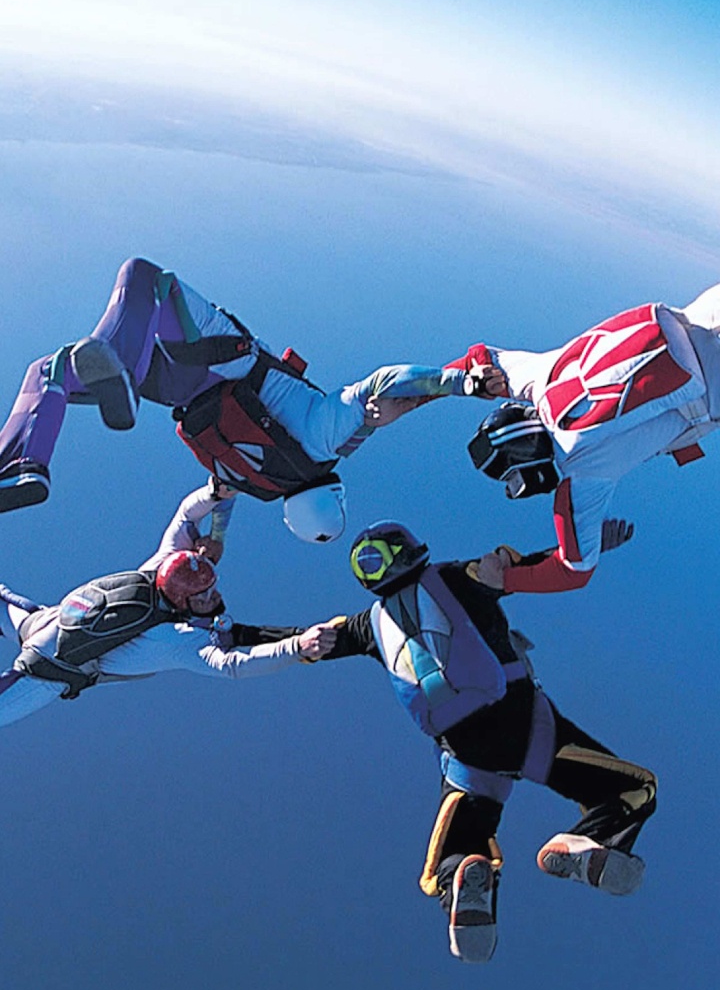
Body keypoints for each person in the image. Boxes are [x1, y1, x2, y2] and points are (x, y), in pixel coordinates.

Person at [320, 520, 656, 963]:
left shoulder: (366, 626)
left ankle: (462, 871)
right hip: (524, 721)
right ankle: (585, 842)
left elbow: (301, 641)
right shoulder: (454, 576)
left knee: (458, 844)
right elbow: (520, 570)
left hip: (465, 750)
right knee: (633, 790)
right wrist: (583, 545)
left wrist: (225, 633)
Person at [0, 257, 477, 542]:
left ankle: (91, 393)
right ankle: (23, 466)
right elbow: (218, 494)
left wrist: (455, 382)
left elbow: (385, 381)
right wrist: (217, 542)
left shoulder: (325, 440)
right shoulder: (259, 484)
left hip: (221, 361)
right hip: (171, 391)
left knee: (144, 277)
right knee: (51, 370)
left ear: (333, 490)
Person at [450, 281, 720, 592]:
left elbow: (572, 572)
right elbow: (478, 359)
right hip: (702, 314)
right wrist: (410, 396)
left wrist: (502, 579)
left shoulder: (578, 476)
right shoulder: (538, 379)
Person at [0, 483, 338, 728]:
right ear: (182, 601)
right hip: (45, 669)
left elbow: (188, 512)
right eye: (205, 594)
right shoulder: (175, 637)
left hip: (44, 625)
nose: (215, 595)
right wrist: (297, 647)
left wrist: (217, 499)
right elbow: (233, 665)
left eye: (211, 588)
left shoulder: (162, 565)